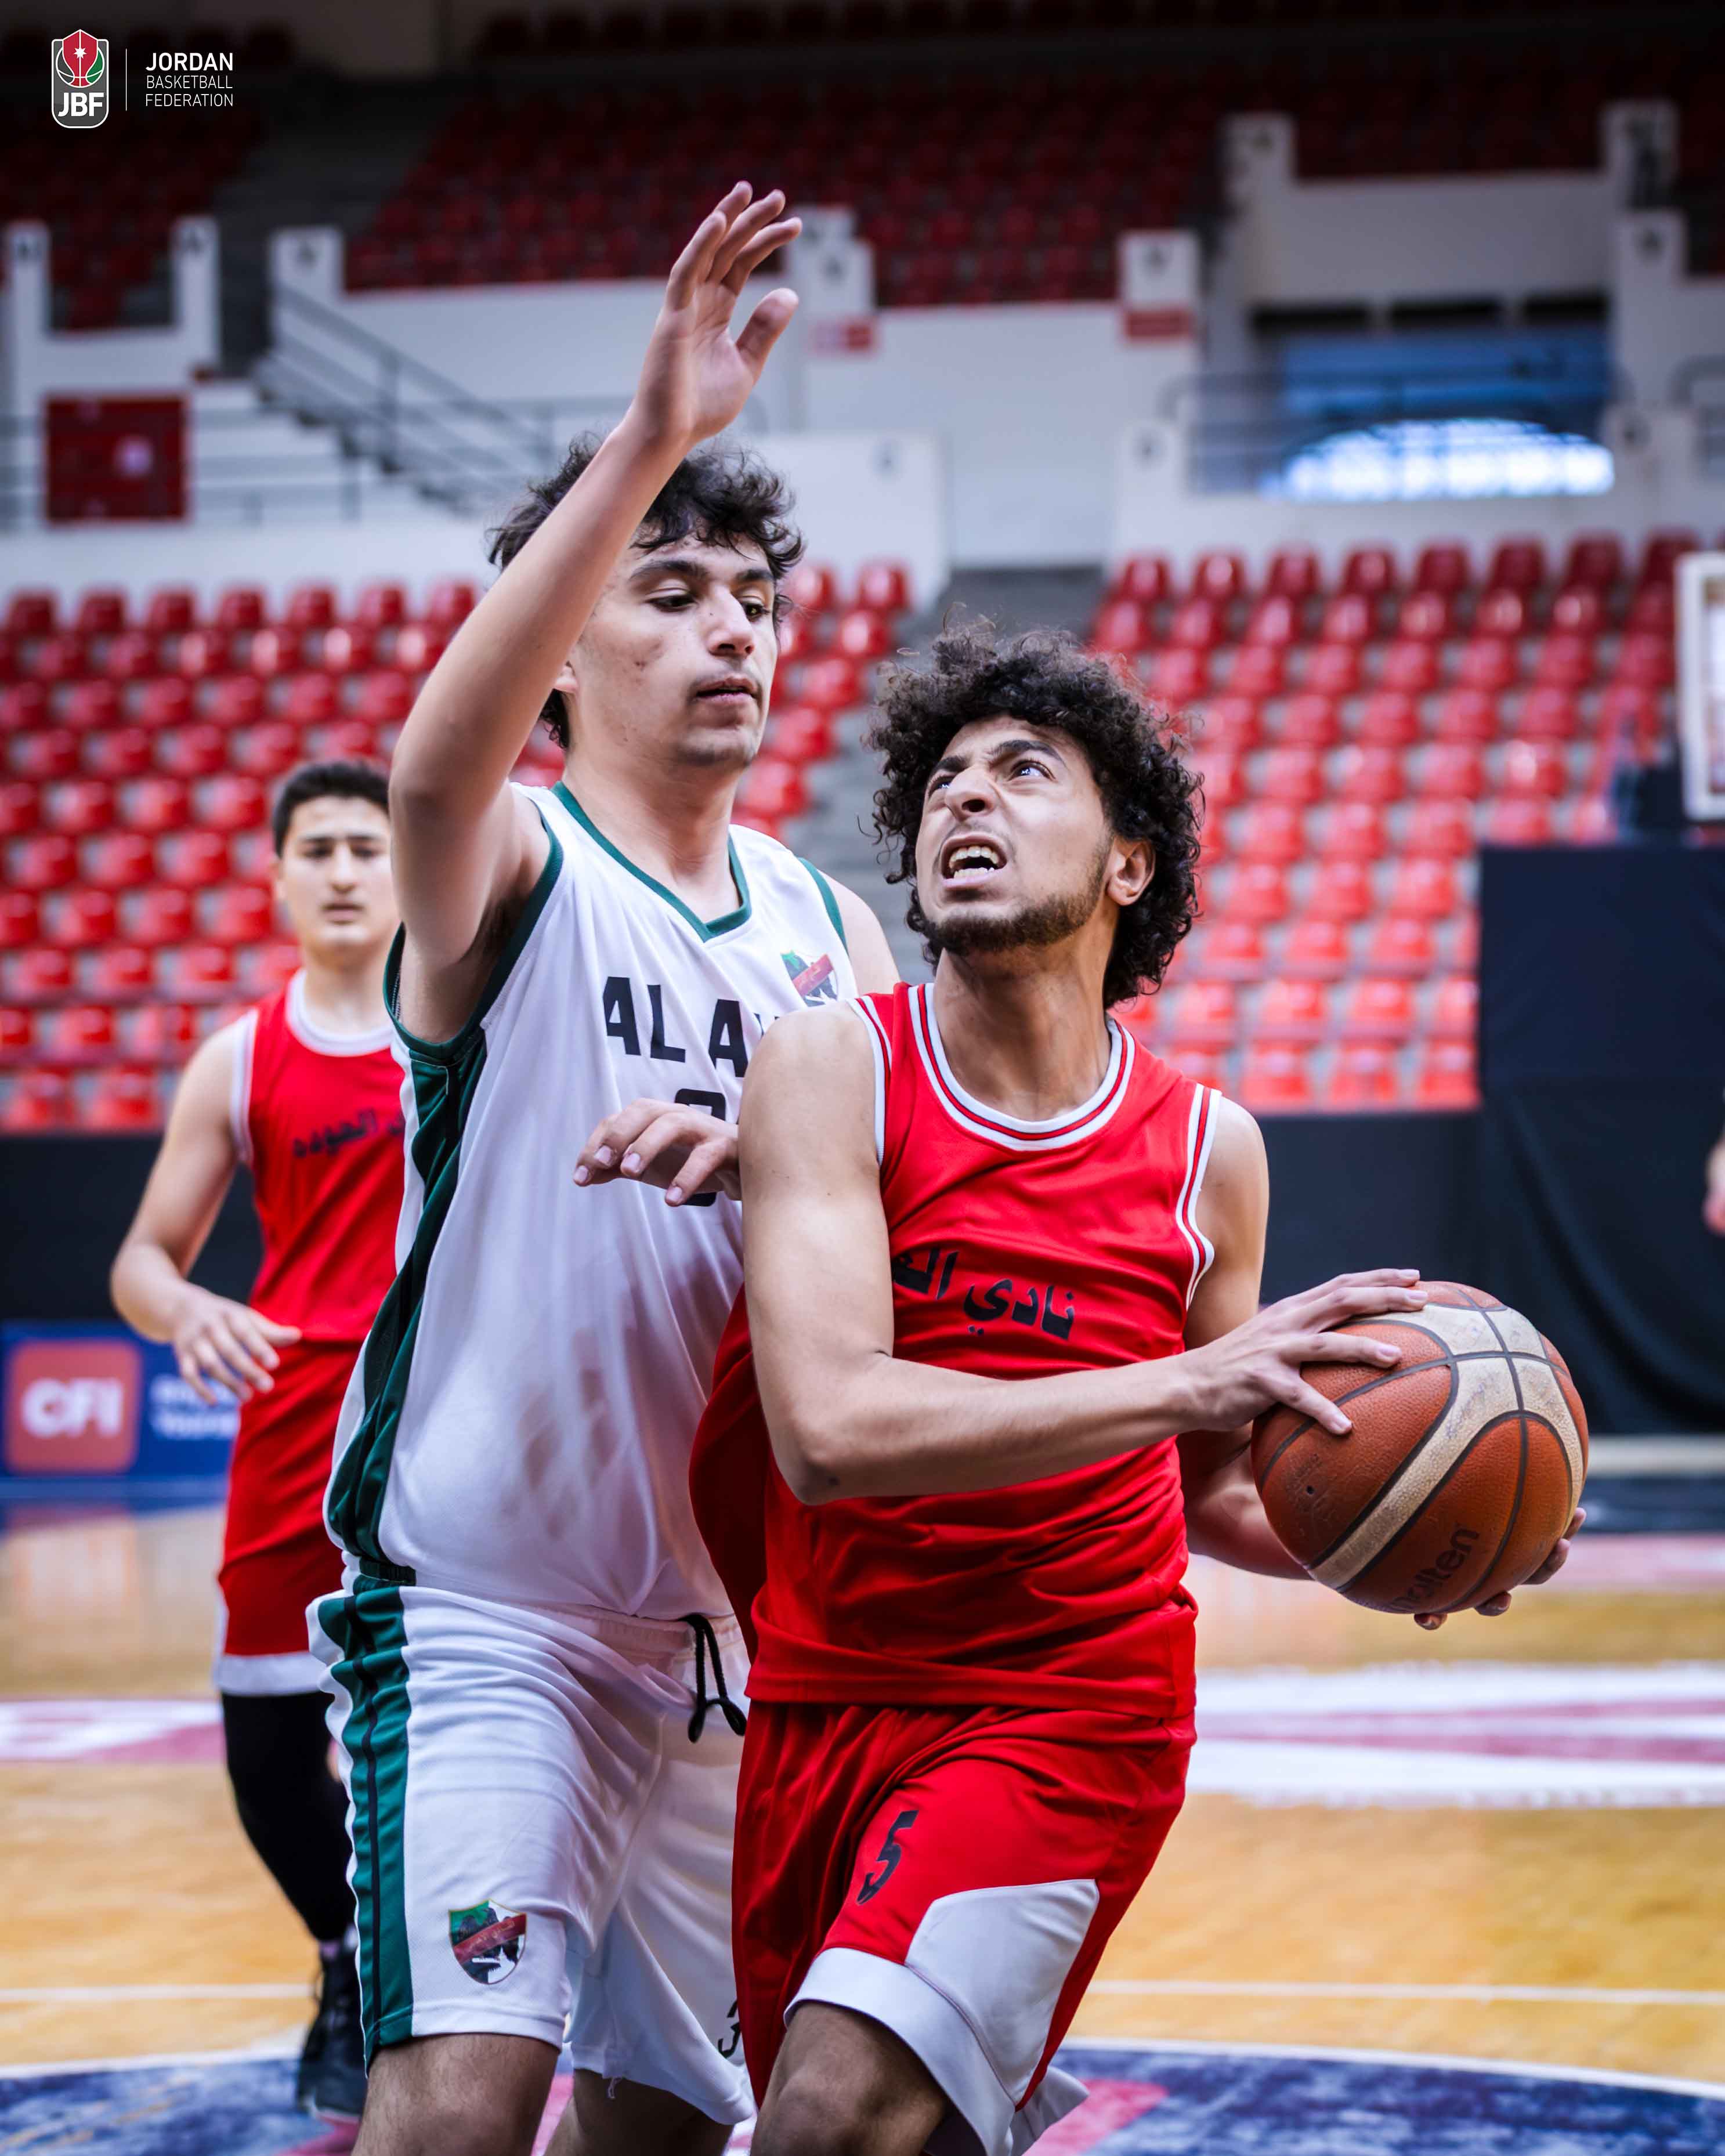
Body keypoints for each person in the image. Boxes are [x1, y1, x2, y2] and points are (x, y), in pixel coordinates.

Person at [690, 623, 1581, 2156]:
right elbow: (829, 1432)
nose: (965, 799)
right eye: (942, 781)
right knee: (854, 2124)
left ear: (1126, 864)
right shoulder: (830, 1065)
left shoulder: (1204, 1149)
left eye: (1021, 771)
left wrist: (1394, 1535)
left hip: (1074, 1701)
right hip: (824, 1685)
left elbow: (1208, 1486)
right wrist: (1186, 1381)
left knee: (830, 2114)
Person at [313, 184, 897, 2156]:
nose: (730, 625)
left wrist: (760, 1162)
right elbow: (426, 774)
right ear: (561, 652)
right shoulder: (518, 864)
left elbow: (874, 1247)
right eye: (669, 590)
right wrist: (650, 436)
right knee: (460, 2107)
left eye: (755, 599)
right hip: (489, 1608)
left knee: (657, 2134)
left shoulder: (830, 928)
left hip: (725, 1632)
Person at [112, 759, 401, 2124]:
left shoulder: (462, 1023)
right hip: (293, 1425)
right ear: (277, 876)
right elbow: (141, 1258)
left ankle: (458, 1987)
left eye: (367, 846)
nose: (343, 871)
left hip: (445, 1415)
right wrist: (184, 1307)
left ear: (409, 867)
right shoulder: (238, 1056)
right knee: (269, 1750)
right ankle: (341, 1957)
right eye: (318, 849)